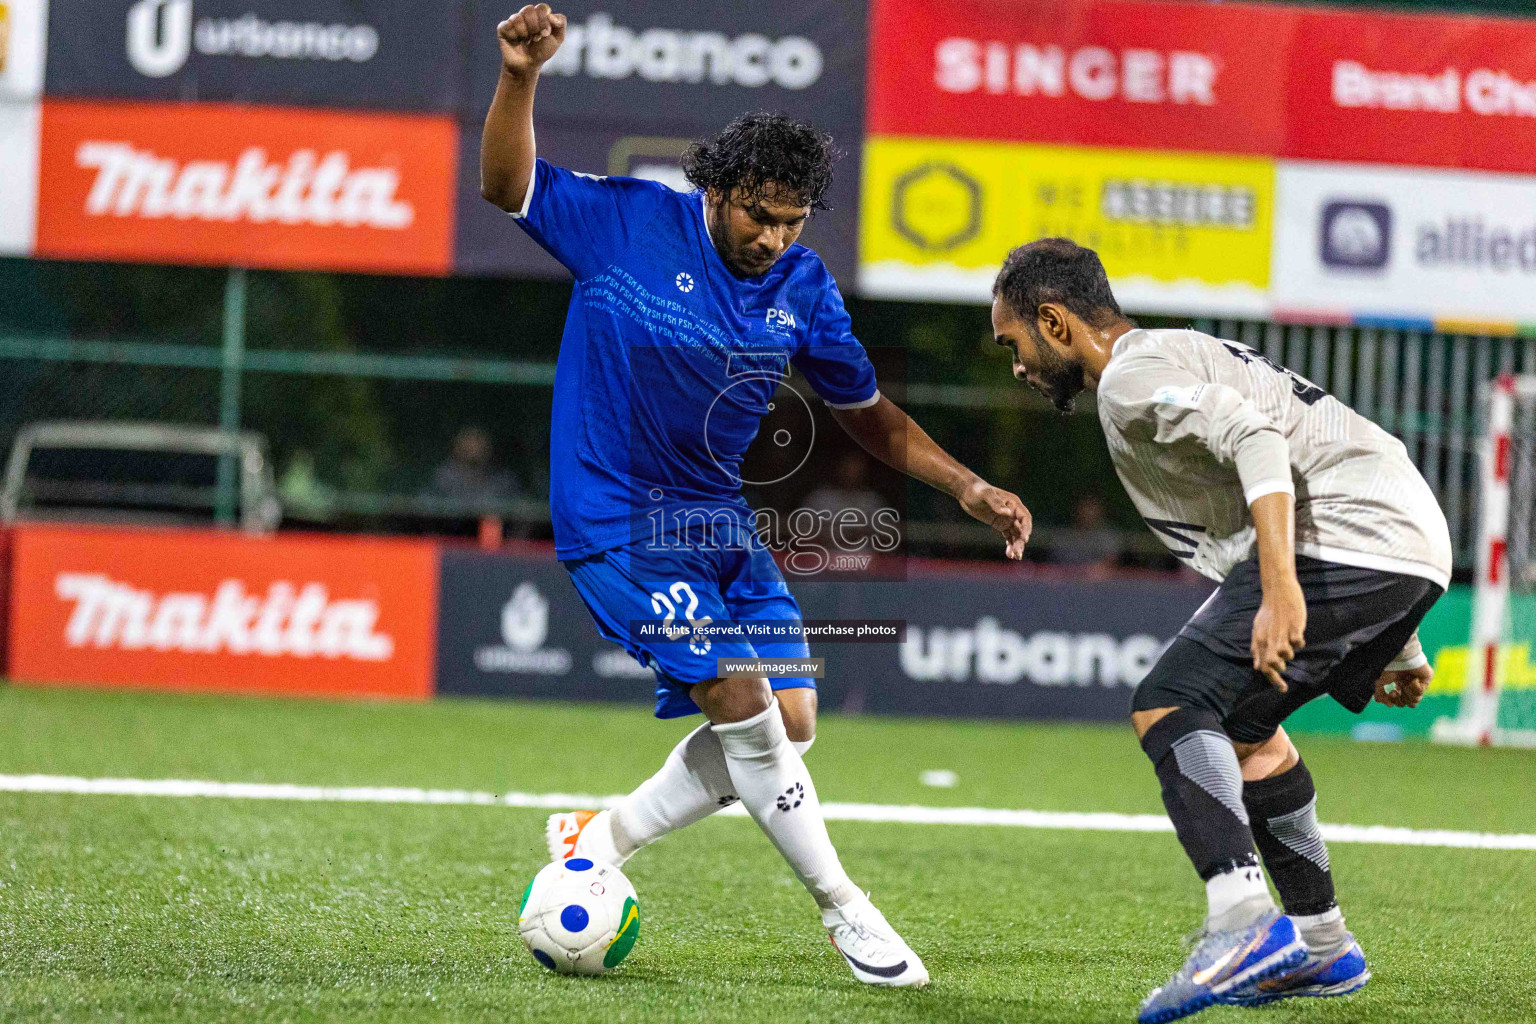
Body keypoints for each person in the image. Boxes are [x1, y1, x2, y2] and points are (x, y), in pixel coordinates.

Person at [481, 5, 1032, 987]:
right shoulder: (630, 222)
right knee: (739, 697)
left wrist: (972, 486)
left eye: (792, 220)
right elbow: (505, 185)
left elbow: (869, 414)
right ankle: (846, 912)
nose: (774, 236)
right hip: (617, 517)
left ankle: (596, 837)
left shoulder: (805, 286)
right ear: (719, 189)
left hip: (718, 525)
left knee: (789, 714)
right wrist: (522, 77)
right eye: (759, 214)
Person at [988, 238, 1448, 1022]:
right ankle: (1323, 943)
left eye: (1014, 343)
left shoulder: (1131, 379)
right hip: (1397, 536)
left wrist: (1280, 589)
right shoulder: (1175, 348)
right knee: (1242, 733)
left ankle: (1240, 922)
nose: (1017, 366)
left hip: (1345, 535)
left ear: (1055, 322)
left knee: (1168, 702)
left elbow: (1258, 441)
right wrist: (1396, 635)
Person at [1049, 494, 1123, 573]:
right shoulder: (1063, 535)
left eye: (1092, 508)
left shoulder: (1108, 536)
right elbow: (1053, 564)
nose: (1087, 512)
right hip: (1065, 580)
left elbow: (1110, 562)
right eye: (1085, 507)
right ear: (1077, 509)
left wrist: (1095, 570)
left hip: (1097, 583)